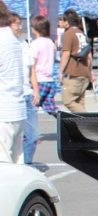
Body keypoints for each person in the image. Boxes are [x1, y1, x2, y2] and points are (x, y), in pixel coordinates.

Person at [10, 14, 37, 165]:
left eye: (19, 23)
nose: (19, 26)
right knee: (12, 137)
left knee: (32, 136)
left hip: (27, 94)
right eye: (15, 23)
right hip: (12, 96)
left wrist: (36, 90)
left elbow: (32, 70)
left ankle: (27, 165)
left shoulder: (24, 44)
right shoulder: (5, 45)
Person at [0, 0, 25, 163]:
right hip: (17, 107)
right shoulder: (12, 38)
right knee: (17, 162)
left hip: (4, 110)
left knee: (4, 164)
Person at [58, 9, 91, 113]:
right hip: (84, 72)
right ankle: (83, 123)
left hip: (73, 73)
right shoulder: (82, 33)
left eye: (61, 20)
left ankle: (88, 119)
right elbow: (89, 56)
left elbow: (66, 54)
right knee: (79, 103)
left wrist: (60, 71)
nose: (59, 22)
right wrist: (89, 72)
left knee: (68, 101)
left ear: (67, 22)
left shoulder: (68, 34)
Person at [30, 16, 57, 116]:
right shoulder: (51, 43)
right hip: (49, 80)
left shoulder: (35, 44)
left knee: (31, 107)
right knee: (51, 109)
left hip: (38, 80)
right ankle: (66, 123)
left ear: (35, 29)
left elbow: (32, 65)